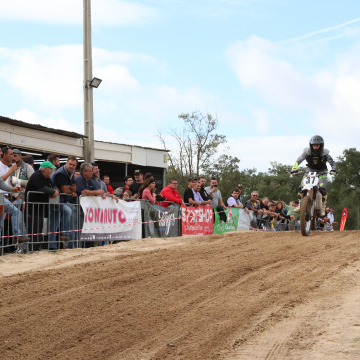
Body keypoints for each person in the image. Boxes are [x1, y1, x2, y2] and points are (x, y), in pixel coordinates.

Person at [291, 135, 336, 216]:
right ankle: (300, 205)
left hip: (322, 172)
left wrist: (333, 169)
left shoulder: (325, 153)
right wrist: (294, 168)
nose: (315, 147)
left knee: (322, 188)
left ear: (321, 145)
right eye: (314, 145)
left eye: (317, 145)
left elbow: (332, 162)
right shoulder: (307, 152)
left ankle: (322, 207)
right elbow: (299, 160)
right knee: (302, 187)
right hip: (309, 171)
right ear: (311, 145)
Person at [25, 161, 60, 250]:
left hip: (40, 206)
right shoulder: (37, 175)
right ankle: (32, 247)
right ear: (45, 169)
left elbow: (53, 185)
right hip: (32, 206)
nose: (52, 171)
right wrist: (53, 192)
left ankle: (36, 247)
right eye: (51, 169)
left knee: (39, 226)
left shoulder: (46, 177)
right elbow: (41, 188)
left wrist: (56, 190)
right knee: (34, 227)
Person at [0, 146, 30, 243]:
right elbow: (1, 181)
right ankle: (17, 235)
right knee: (16, 211)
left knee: (0, 224)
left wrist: (12, 190)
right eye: (11, 155)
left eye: (14, 155)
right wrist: (11, 171)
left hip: (4, 197)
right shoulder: (2, 166)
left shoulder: (7, 167)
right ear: (4, 155)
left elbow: (4, 184)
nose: (12, 157)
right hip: (1, 197)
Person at [51, 156, 78, 248]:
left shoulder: (71, 173)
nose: (71, 166)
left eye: (74, 165)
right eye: (70, 164)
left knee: (54, 223)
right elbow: (65, 190)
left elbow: (74, 187)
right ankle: (64, 233)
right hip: (54, 200)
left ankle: (53, 245)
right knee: (67, 211)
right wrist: (71, 191)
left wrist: (70, 189)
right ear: (66, 163)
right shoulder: (61, 173)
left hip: (60, 200)